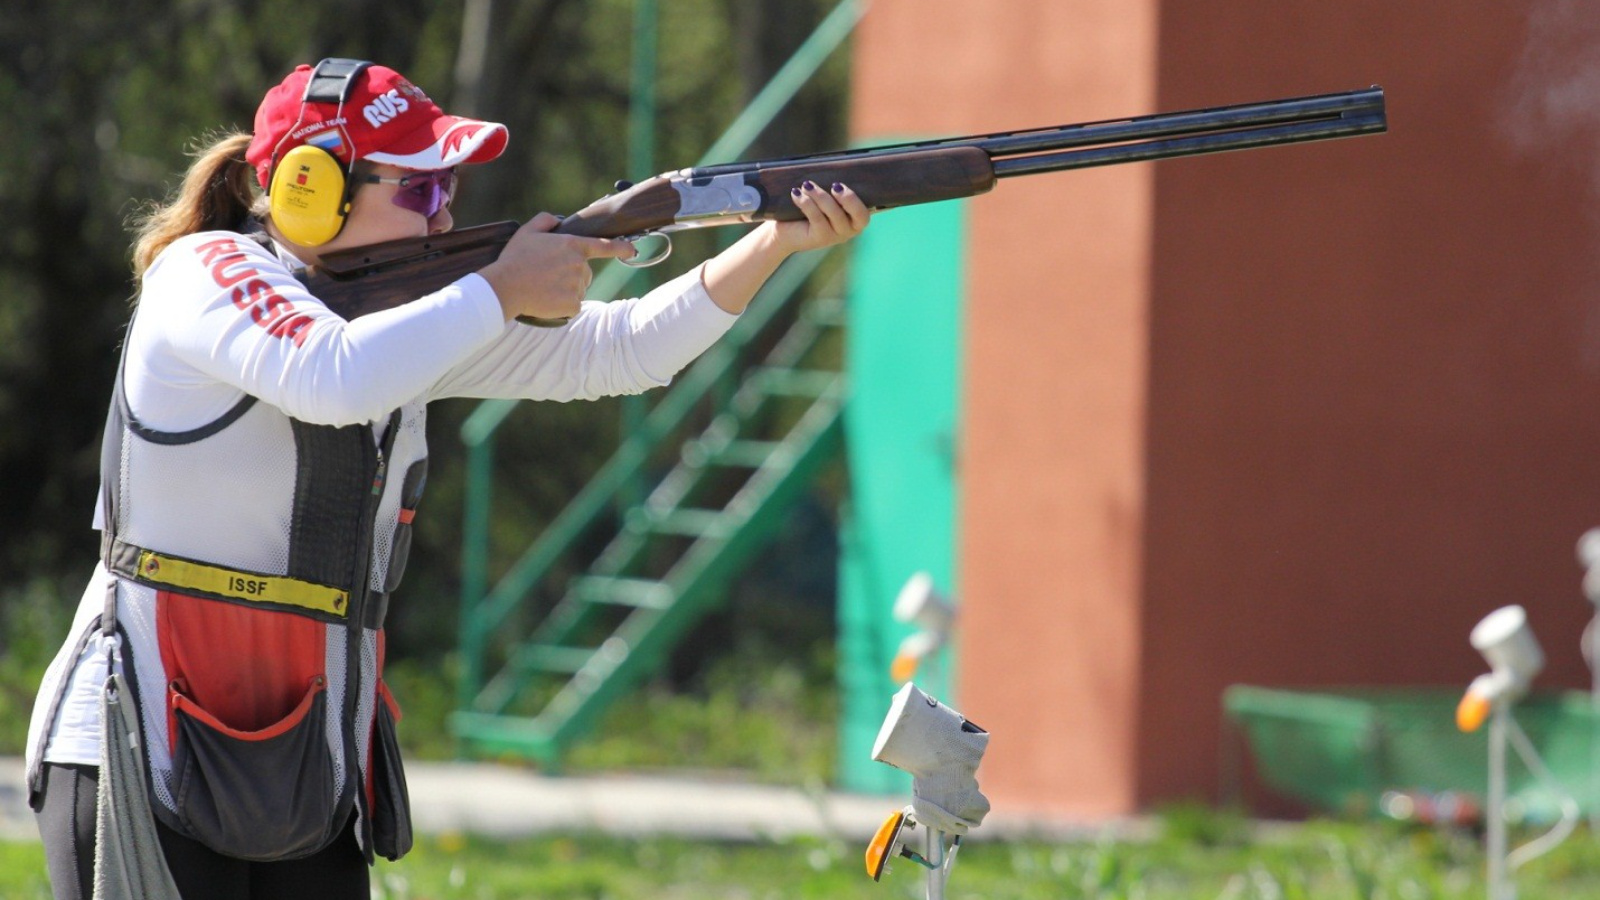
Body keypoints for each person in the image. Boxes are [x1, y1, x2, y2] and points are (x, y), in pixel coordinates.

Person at [25, 58, 869, 900]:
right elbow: (333, 378)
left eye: (450, 188)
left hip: (310, 750)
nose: (446, 215)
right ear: (311, 188)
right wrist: (498, 289)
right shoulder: (206, 271)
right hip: (139, 738)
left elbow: (623, 351)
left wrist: (774, 242)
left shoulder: (401, 318)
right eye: (422, 191)